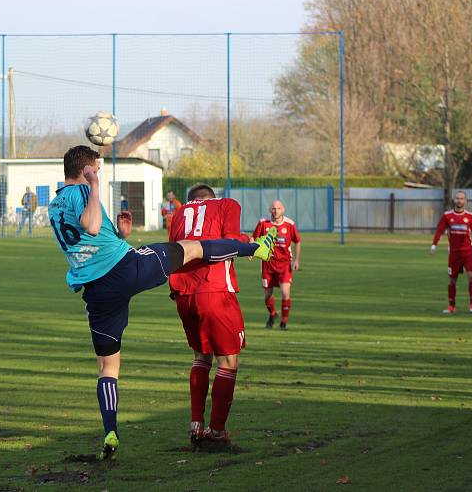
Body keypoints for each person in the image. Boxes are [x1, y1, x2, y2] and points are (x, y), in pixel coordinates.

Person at [48, 146, 276, 461]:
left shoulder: (54, 205)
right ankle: (255, 250)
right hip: (125, 269)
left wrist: (121, 232)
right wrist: (94, 185)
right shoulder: (82, 191)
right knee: (192, 248)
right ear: (86, 169)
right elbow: (90, 225)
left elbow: (90, 237)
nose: (97, 174)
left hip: (96, 291)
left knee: (108, 367)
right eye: (96, 169)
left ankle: (110, 432)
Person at [169, 184, 252, 450]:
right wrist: (248, 243)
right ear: (211, 198)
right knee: (227, 361)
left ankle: (196, 424)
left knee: (201, 356)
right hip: (214, 290)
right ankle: (216, 432)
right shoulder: (227, 204)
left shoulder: (180, 214)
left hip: (183, 295)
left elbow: (173, 254)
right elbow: (227, 244)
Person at [253, 200, 302, 330]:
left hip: (285, 264)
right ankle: (273, 314)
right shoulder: (263, 223)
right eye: (273, 208)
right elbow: (253, 238)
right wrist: (250, 252)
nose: (276, 211)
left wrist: (296, 260)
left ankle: (284, 322)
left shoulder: (290, 224)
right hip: (267, 265)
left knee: (285, 292)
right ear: (270, 210)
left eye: (278, 208)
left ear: (283, 210)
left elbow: (297, 241)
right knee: (267, 295)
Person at [431, 191, 472, 314]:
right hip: (454, 253)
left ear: (465, 201)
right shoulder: (447, 216)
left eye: (462, 198)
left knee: (471, 276)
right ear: (454, 200)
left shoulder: (470, 216)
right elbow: (439, 230)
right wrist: (434, 244)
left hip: (467, 252)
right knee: (452, 280)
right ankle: (451, 306)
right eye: (457, 198)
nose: (459, 200)